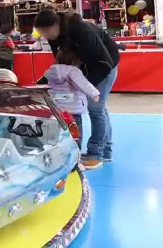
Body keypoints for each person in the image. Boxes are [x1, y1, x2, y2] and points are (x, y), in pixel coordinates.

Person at [34, 9, 120, 169]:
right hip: (82, 69)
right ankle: (105, 150)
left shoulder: (82, 31)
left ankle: (97, 153)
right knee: (100, 109)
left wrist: (86, 87)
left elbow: (105, 62)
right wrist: (42, 83)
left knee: (96, 107)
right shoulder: (55, 36)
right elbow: (59, 65)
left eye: (46, 32)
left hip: (105, 66)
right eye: (42, 33)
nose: (45, 36)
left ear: (55, 25)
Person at [44, 48, 100, 152]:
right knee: (75, 135)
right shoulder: (73, 71)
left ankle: (58, 154)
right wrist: (94, 93)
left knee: (58, 134)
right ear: (74, 61)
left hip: (57, 108)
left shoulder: (51, 71)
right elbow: (83, 83)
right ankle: (76, 157)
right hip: (72, 110)